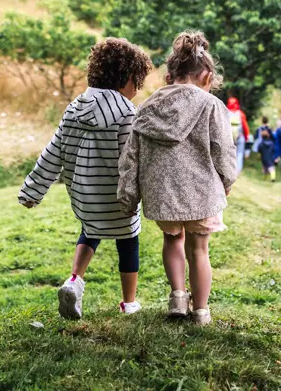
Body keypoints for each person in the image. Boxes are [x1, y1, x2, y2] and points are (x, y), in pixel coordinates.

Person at [18, 38, 154, 319]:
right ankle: (129, 303)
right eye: (137, 82)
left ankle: (74, 281)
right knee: (128, 240)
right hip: (118, 199)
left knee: (90, 231)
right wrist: (139, 194)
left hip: (85, 197)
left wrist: (32, 191)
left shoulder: (75, 107)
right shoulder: (127, 113)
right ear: (127, 77)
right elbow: (130, 161)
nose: (137, 90)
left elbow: (53, 151)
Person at [118, 31, 237, 326]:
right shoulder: (211, 106)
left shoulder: (147, 108)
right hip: (201, 190)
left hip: (162, 190)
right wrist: (227, 180)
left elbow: (131, 154)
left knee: (172, 239)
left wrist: (129, 193)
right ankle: (201, 311)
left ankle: (178, 297)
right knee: (199, 248)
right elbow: (223, 149)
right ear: (207, 75)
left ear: (170, 74)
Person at [227, 97, 250, 174]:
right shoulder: (241, 114)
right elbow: (245, 127)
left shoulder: (225, 112)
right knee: (239, 154)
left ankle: (228, 169)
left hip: (228, 137)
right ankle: (237, 172)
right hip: (240, 137)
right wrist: (246, 137)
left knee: (228, 153)